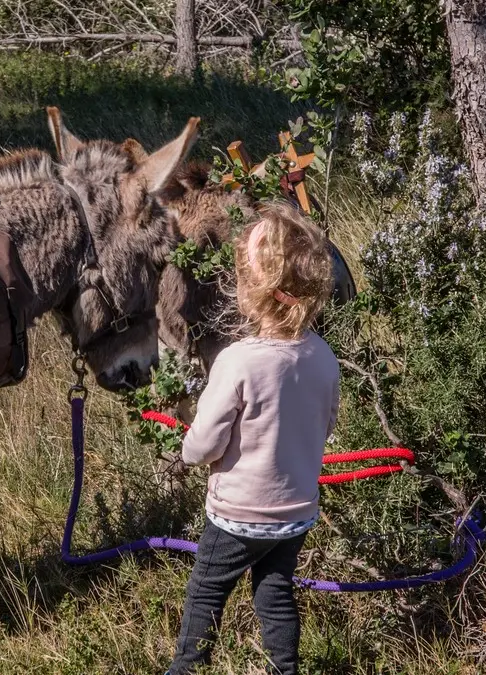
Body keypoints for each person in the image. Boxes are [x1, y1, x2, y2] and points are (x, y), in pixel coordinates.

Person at [168, 204, 340, 674]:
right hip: (296, 513)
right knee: (275, 591)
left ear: (250, 289)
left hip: (238, 516)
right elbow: (326, 425)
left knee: (206, 592)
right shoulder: (324, 358)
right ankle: (286, 669)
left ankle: (185, 668)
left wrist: (189, 451)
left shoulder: (238, 361)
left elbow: (203, 443)